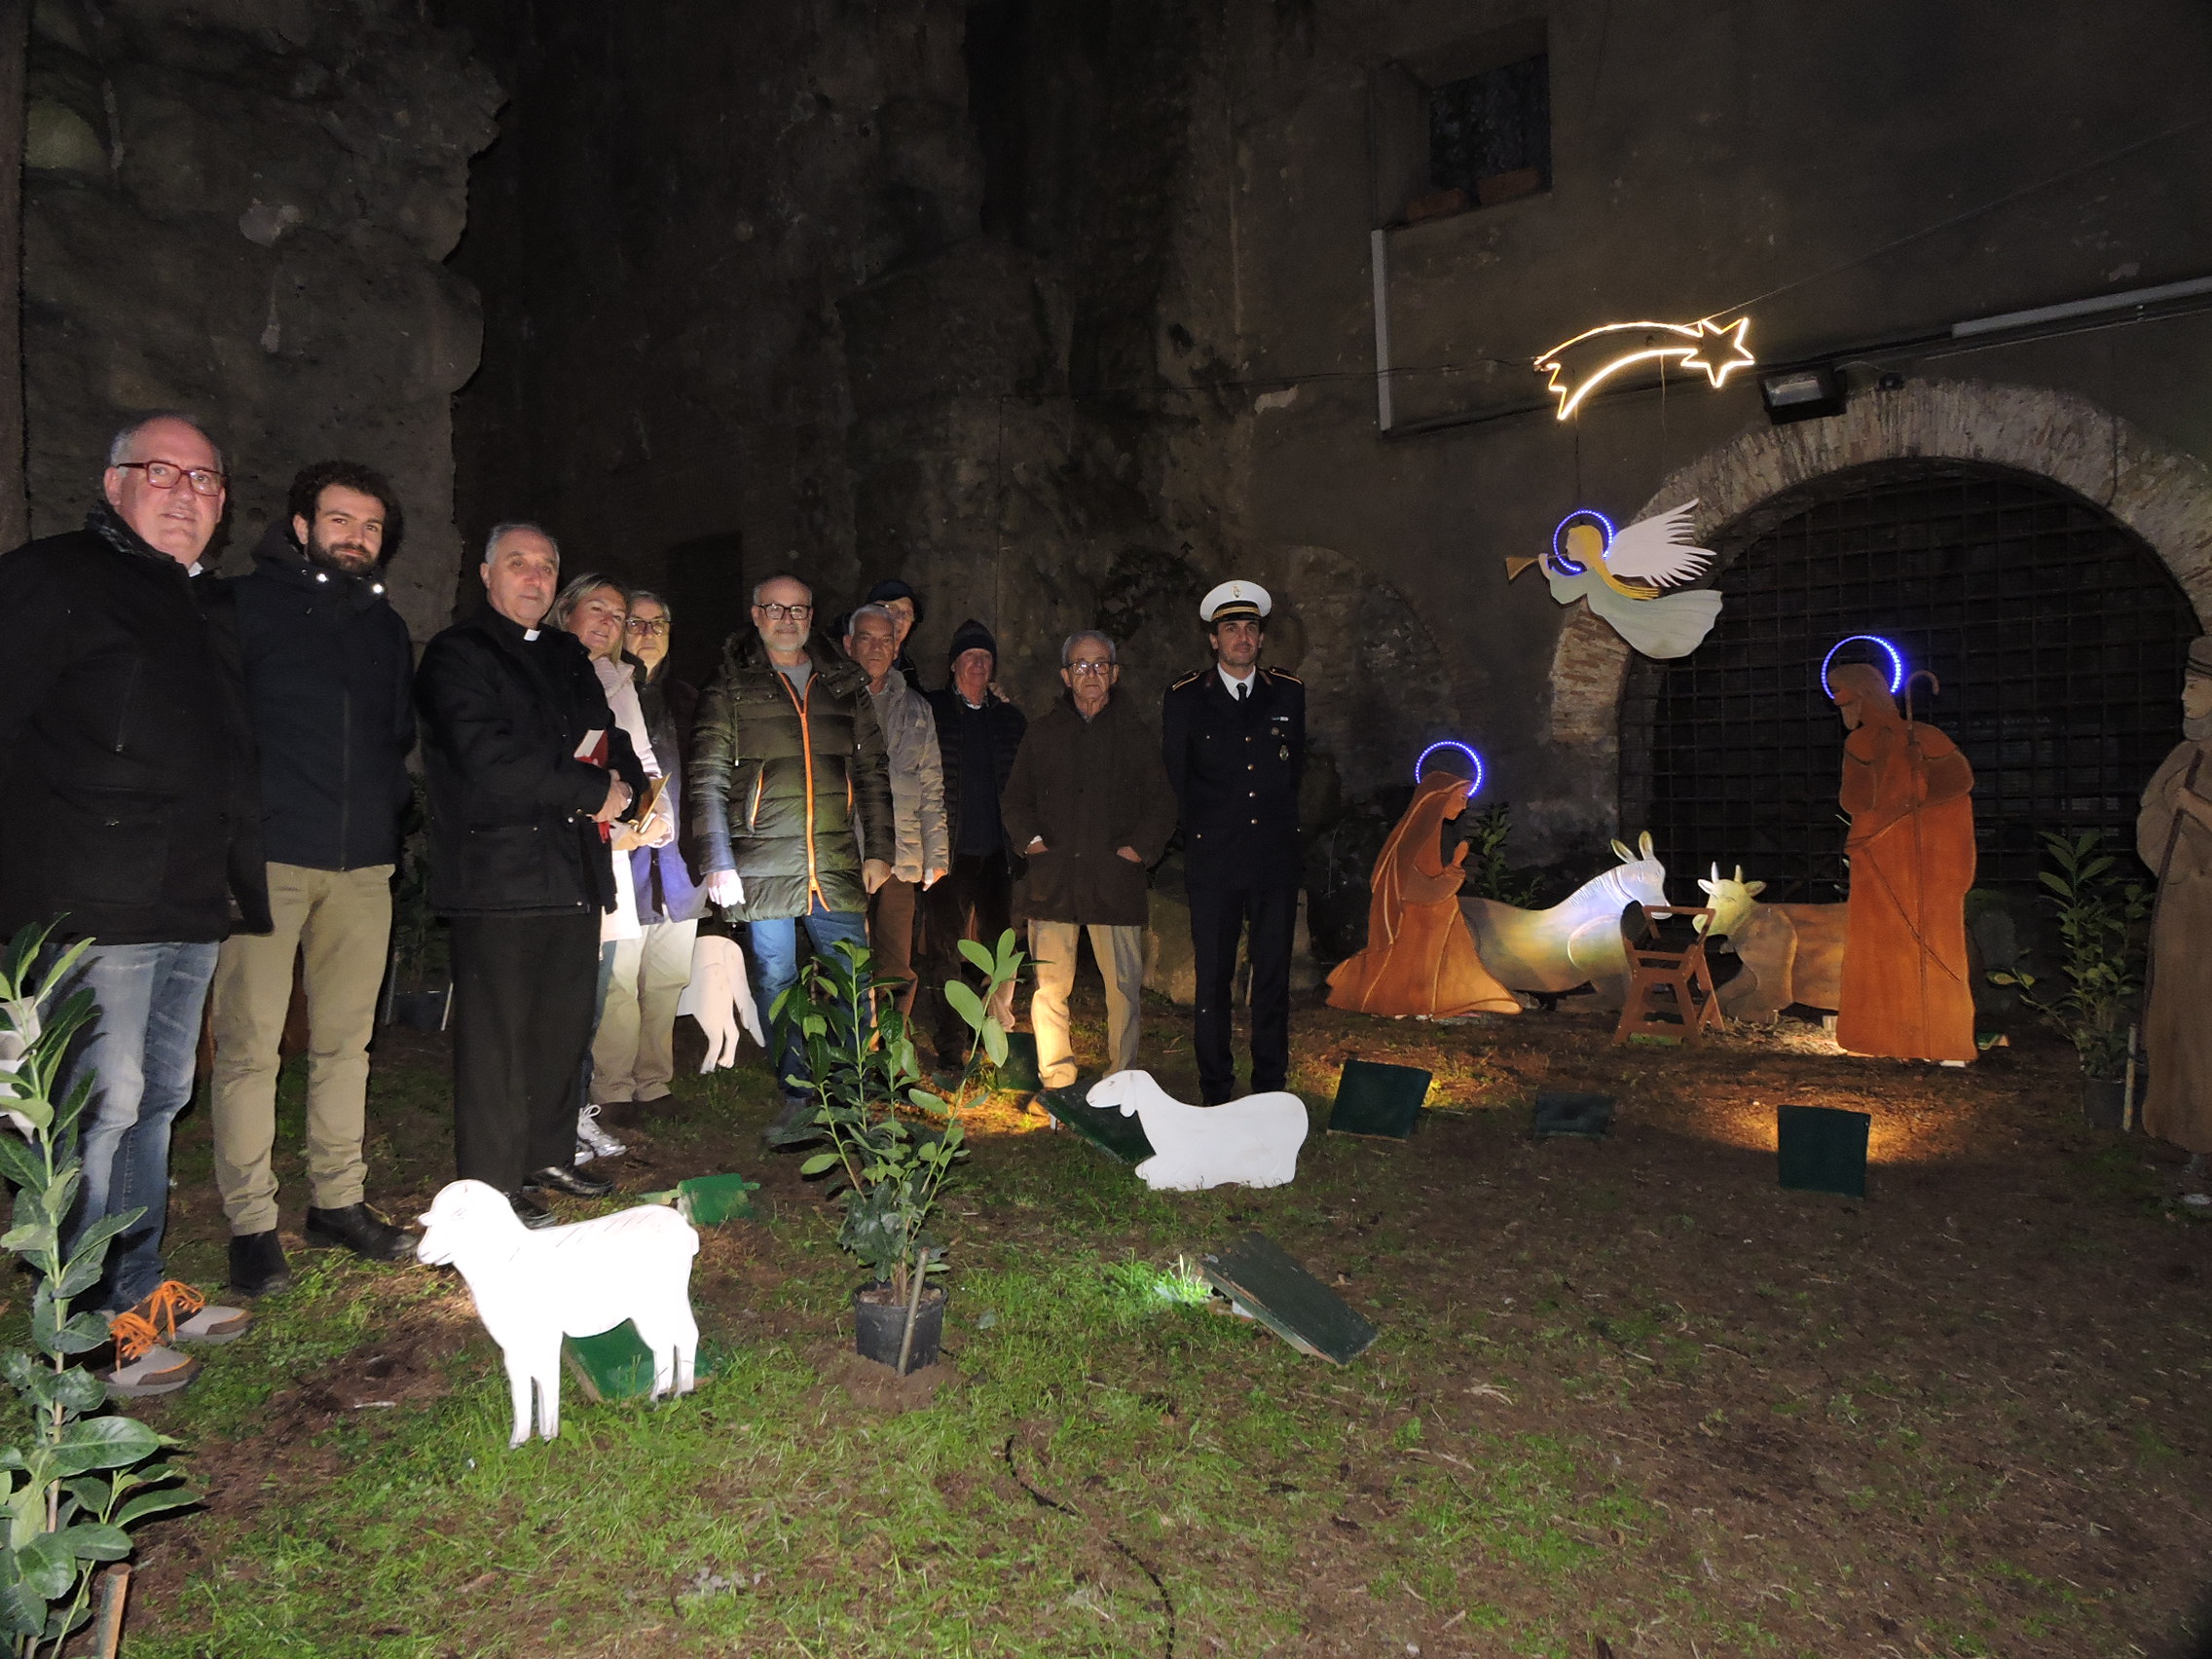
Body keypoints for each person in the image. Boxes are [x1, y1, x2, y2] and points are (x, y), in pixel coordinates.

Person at [0, 412, 268, 1395]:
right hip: (86, 901)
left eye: (206, 479)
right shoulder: (52, 579)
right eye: (161, 471)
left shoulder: (205, 606)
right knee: (96, 1111)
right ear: (114, 483)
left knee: (160, 1098)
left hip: (187, 896)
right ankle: (78, 1325)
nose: (185, 492)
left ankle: (141, 1287)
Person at [209, 461, 420, 1301]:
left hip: (362, 863)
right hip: (269, 855)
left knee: (346, 1041)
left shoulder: (384, 626)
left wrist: (386, 816)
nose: (356, 537)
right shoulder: (241, 606)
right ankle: (251, 1223)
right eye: (340, 520)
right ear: (301, 525)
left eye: (370, 526)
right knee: (252, 1047)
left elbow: (395, 731)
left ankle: (338, 1201)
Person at [416, 525, 645, 1227]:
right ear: (486, 573)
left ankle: (547, 1152)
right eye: (518, 564)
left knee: (560, 1026)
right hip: (497, 874)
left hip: (570, 871)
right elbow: (489, 756)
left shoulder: (567, 658)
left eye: (547, 566)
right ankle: (491, 1184)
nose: (535, 577)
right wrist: (590, 790)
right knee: (497, 1041)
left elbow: (612, 740)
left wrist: (627, 782)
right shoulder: (458, 654)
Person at [690, 572, 894, 1134]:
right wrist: (716, 857)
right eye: (775, 608)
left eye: (799, 609)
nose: (787, 618)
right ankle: (798, 1091)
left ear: (811, 615)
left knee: (852, 974)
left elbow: (872, 772)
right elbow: (707, 775)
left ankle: (855, 1087)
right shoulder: (731, 685)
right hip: (762, 862)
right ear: (756, 614)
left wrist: (879, 848)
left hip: (833, 860)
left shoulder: (842, 682)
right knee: (776, 978)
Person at [1000, 630, 1176, 1094]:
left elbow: (1162, 806)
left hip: (1113, 883)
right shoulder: (1042, 733)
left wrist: (1136, 851)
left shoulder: (1135, 736)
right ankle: (1056, 1081)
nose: (1091, 674)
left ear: (1115, 674)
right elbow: (1015, 800)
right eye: (1081, 666)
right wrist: (1032, 842)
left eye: (1100, 665)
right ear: (1065, 676)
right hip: (1053, 882)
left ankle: (1120, 1085)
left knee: (1123, 991)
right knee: (1049, 990)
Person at [1162, 580, 1305, 1104]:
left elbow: (1294, 773)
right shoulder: (1184, 699)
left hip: (1272, 858)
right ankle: (1216, 1088)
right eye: (1230, 629)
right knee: (1214, 981)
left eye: (1250, 628)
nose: (1241, 637)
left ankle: (1270, 1086)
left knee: (1272, 978)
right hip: (1216, 858)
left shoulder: (1288, 693)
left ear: (1261, 639)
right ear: (1213, 641)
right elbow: (1178, 775)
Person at [552, 573, 678, 1161]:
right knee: (561, 998)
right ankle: (550, 1121)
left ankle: (574, 1115)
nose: (608, 624)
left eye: (618, 615)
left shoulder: (618, 681)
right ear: (565, 611)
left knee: (591, 999)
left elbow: (640, 760)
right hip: (560, 856)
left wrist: (652, 817)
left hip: (609, 863)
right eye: (596, 610)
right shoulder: (549, 674)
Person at [1828, 661, 1977, 1063]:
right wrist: (1881, 770)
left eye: (1840, 690)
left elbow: (1958, 782)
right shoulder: (1858, 744)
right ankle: (1885, 1034)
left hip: (1922, 862)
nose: (1836, 699)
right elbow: (1855, 800)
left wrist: (1919, 774)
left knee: (1931, 940)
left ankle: (1941, 1039)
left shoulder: (1924, 736)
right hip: (1878, 855)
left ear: (1864, 691)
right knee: (1880, 946)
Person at [592, 589, 705, 1114]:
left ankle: (654, 1083)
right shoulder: (603, 688)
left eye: (658, 623)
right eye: (635, 622)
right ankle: (612, 1089)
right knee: (618, 980)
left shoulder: (691, 698)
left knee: (666, 978)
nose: (647, 632)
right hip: (623, 856)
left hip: (680, 863)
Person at [1325, 768, 1521, 1017]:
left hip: (1423, 918)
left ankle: (1425, 1000)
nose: (1463, 807)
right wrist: (1454, 872)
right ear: (1439, 798)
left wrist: (1448, 876)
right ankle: (1407, 1002)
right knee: (1416, 949)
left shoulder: (1426, 831)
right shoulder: (1419, 834)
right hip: (1413, 919)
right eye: (1461, 798)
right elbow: (1415, 885)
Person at [925, 619, 1026, 1067]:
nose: (978, 665)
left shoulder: (1009, 719)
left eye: (985, 658)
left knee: (999, 952)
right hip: (949, 854)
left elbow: (1023, 784)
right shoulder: (932, 711)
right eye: (969, 658)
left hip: (997, 855)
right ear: (953, 666)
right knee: (945, 953)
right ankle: (950, 1045)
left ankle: (993, 1031)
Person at [845, 604, 947, 1016]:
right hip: (843, 853)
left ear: (896, 647)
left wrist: (936, 854)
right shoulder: (830, 702)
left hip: (901, 858)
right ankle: (849, 1056)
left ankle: (893, 1060)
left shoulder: (917, 709)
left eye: (885, 639)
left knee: (895, 964)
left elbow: (931, 786)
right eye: (866, 637)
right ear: (849, 644)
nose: (876, 647)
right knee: (846, 961)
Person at [2138, 637, 2212, 1163]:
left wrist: (2195, 805)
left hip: (2206, 912)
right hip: (2179, 912)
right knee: (2176, 1020)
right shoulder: (2187, 753)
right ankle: (2181, 1126)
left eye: (2193, 687)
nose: (2183, 698)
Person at [865, 577, 925, 689]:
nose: (900, 620)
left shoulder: (907, 674)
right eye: (892, 609)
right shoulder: (833, 657)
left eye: (907, 613)